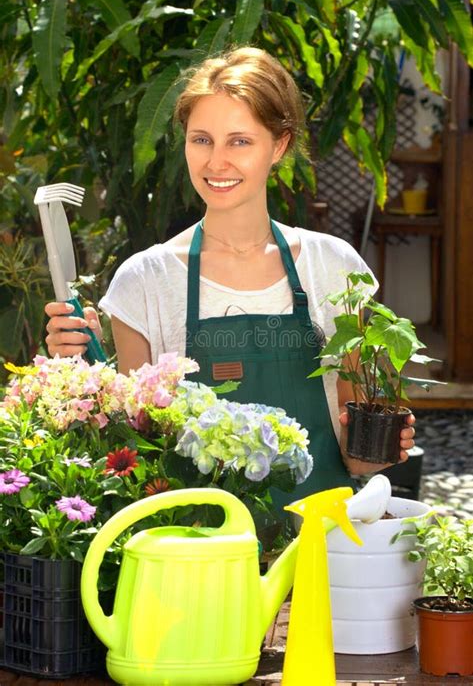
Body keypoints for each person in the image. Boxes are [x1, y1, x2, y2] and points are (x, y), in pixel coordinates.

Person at [45, 47, 415, 501]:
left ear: (278, 146)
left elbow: (355, 459)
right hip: (198, 549)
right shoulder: (144, 281)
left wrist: (382, 442)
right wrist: (83, 364)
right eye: (202, 140)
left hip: (318, 543)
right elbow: (135, 449)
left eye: (239, 141)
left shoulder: (333, 268)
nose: (216, 162)